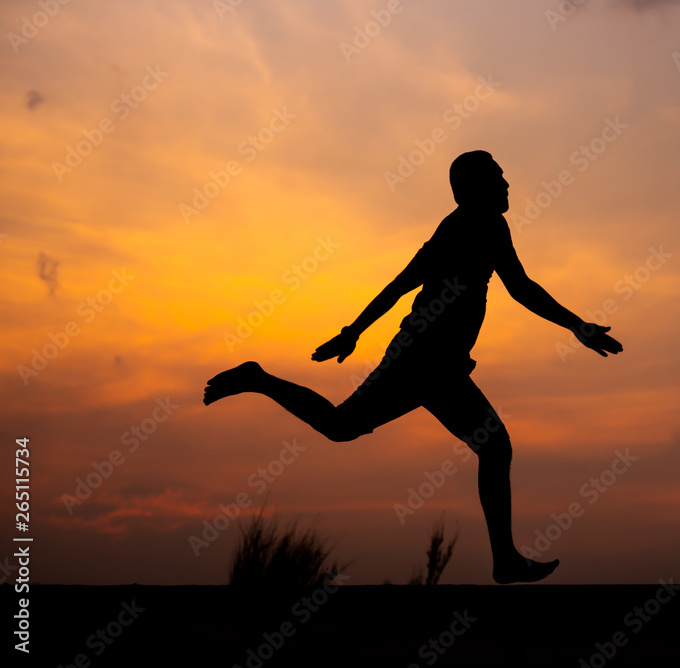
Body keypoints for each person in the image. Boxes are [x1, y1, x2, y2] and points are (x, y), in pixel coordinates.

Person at [204, 150, 622, 583]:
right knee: (491, 446)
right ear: (474, 188)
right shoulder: (460, 228)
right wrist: (354, 329)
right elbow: (404, 283)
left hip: (435, 363)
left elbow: (519, 287)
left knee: (343, 426)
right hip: (424, 360)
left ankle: (258, 378)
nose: (507, 183)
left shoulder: (490, 227)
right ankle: (505, 560)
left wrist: (576, 325)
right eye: (498, 176)